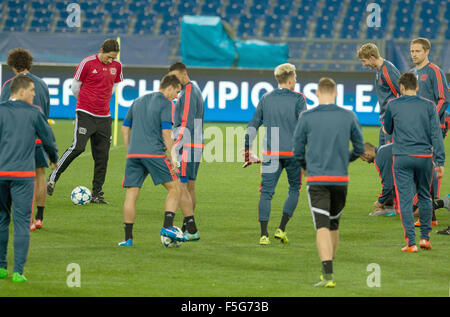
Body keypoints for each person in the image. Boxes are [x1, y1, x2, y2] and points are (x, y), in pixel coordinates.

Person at [293, 77, 364, 288]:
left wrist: (307, 167)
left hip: (317, 178)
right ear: (335, 94)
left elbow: (297, 150)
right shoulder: (348, 116)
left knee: (321, 225)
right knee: (333, 224)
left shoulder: (306, 117)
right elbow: (360, 148)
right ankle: (329, 272)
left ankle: (328, 274)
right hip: (340, 179)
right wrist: (344, 161)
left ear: (316, 94)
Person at [118, 74, 192, 246]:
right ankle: (167, 226)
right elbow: (166, 133)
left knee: (131, 196)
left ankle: (127, 239)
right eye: (177, 91)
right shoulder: (167, 104)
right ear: (170, 87)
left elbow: (124, 128)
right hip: (154, 154)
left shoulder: (137, 101)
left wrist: (130, 150)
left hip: (133, 154)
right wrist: (173, 157)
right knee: (176, 188)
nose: (177, 96)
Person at [47, 39, 123, 204]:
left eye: (113, 58)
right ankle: (53, 177)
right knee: (78, 147)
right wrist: (86, 101)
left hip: (104, 117)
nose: (111, 61)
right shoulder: (87, 63)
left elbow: (115, 85)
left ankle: (97, 194)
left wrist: (103, 99)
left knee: (102, 157)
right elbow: (75, 87)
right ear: (101, 50)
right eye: (109, 57)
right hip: (85, 114)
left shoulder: (117, 66)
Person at [0, 75, 58, 282]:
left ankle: (1, 267)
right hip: (24, 175)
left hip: (1, 174)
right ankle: (18, 272)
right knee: (23, 223)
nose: (35, 94)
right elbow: (48, 139)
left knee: (2, 219)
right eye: (32, 90)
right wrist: (53, 158)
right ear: (21, 91)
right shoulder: (34, 113)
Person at [245, 63, 307, 245]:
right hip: (293, 153)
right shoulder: (299, 99)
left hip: (271, 152)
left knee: (266, 193)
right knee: (294, 188)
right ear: (289, 79)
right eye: (295, 76)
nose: (296, 79)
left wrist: (248, 148)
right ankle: (281, 229)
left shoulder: (266, 98)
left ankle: (263, 235)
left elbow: (253, 124)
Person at [383, 73, 445, 252]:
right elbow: (436, 134)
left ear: (401, 87)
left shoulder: (393, 104)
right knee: (425, 196)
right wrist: (440, 160)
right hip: (425, 158)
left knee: (404, 200)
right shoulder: (429, 105)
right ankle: (425, 238)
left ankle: (411, 243)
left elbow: (388, 129)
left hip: (402, 156)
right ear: (417, 87)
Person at [0, 48, 51, 231]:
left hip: (16, 140)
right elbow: (46, 111)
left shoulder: (9, 85)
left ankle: (22, 218)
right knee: (40, 175)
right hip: (38, 137)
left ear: (13, 65)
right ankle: (39, 218)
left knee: (19, 179)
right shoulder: (43, 85)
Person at [168, 62, 203, 240]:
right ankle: (186, 227)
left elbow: (186, 121)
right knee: (189, 187)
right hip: (195, 144)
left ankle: (191, 229)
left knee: (181, 186)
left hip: (187, 144)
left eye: (175, 77)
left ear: (184, 74)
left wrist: (175, 144)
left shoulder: (189, 91)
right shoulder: (194, 89)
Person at [357, 43, 401, 146]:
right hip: (385, 122)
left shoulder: (387, 71)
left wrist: (393, 121)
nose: (364, 65)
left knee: (389, 157)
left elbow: (402, 94)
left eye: (364, 61)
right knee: (381, 157)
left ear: (372, 58)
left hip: (392, 123)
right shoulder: (380, 70)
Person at [410, 38, 449, 139]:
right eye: (412, 51)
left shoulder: (435, 71)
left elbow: (443, 99)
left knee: (430, 155)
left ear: (427, 51)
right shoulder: (411, 73)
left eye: (417, 51)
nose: (414, 54)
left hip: (432, 127)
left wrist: (429, 118)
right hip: (414, 125)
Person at [360, 143, 396, 216]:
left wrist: (380, 201)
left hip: (420, 162)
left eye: (365, 159)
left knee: (412, 212)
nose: (368, 162)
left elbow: (388, 184)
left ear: (366, 154)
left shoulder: (380, 158)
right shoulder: (383, 149)